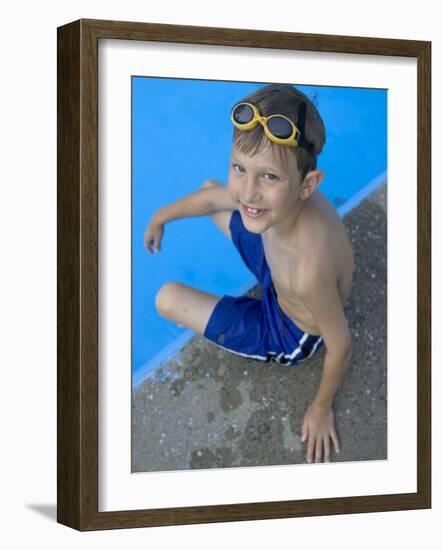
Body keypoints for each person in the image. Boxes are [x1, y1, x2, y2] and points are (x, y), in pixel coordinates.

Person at [144, 84, 354, 464]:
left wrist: (321, 408)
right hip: (278, 263)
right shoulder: (281, 204)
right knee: (212, 191)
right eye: (240, 168)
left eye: (269, 177)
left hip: (288, 329)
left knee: (167, 299)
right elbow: (214, 197)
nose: (249, 191)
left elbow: (340, 344)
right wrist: (161, 216)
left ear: (309, 184)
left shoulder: (307, 271)